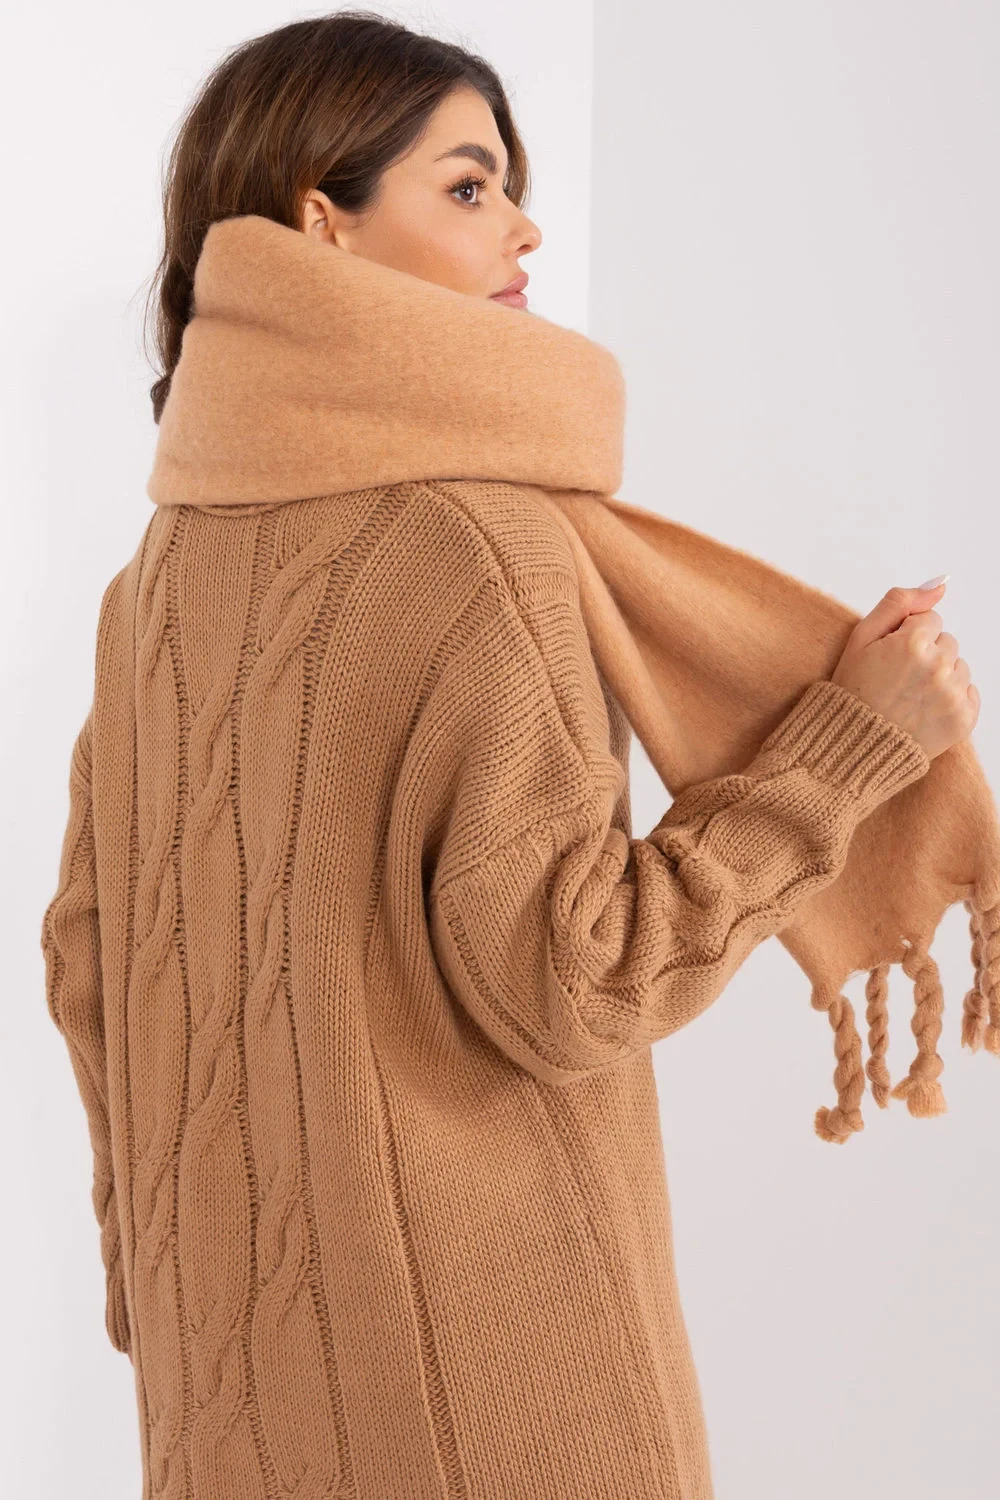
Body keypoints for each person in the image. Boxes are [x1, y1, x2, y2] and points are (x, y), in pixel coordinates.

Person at [40, 12, 979, 1500]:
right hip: (495, 1402)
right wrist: (852, 747)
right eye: (470, 186)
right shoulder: (476, 547)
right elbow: (579, 978)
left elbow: (90, 965)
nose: (525, 227)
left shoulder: (154, 586)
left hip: (224, 1397)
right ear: (323, 224)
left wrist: (157, 1274)